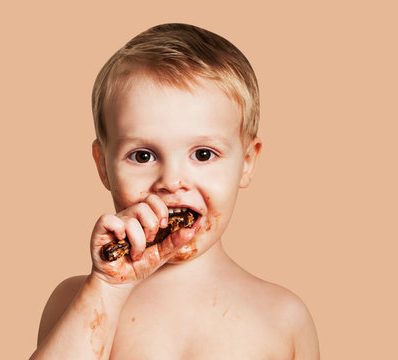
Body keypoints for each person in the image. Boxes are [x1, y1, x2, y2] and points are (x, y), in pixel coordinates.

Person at [30, 23, 320, 359]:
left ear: (247, 161)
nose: (171, 181)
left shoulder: (284, 317)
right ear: (103, 166)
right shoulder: (76, 300)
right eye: (143, 156)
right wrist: (107, 288)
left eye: (202, 154)